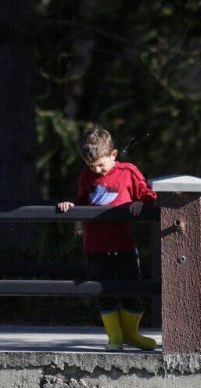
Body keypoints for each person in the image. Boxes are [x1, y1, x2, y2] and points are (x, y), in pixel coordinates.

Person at [57, 126, 158, 351]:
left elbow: (149, 195)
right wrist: (72, 206)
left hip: (124, 244)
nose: (98, 170)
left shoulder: (128, 171)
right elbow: (83, 201)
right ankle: (114, 337)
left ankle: (132, 333)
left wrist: (141, 203)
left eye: (101, 164)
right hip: (95, 246)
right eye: (91, 166)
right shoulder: (86, 176)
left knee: (133, 289)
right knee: (103, 291)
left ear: (114, 155)